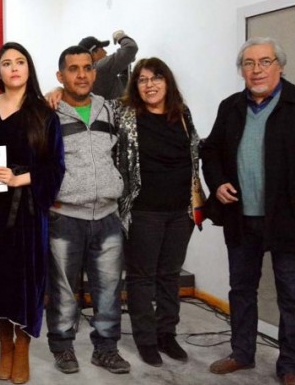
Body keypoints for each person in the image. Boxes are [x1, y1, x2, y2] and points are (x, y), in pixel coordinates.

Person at [201, 37, 295, 385]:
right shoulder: (230, 106)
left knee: (293, 295)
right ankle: (242, 353)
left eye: (264, 61)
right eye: (248, 63)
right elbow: (212, 152)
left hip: (290, 221)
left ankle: (291, 366)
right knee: (242, 289)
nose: (256, 69)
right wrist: (217, 184)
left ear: (280, 65)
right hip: (241, 217)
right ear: (241, 70)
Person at [0, 42, 64, 384]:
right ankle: (4, 347)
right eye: (6, 63)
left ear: (29, 69)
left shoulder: (44, 113)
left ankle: (22, 348)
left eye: (20, 62)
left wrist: (19, 179)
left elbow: (56, 167)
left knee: (25, 283)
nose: (13, 68)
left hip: (27, 212)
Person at [45, 45, 131, 376]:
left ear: (95, 73)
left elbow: (122, 153)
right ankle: (63, 348)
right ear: (60, 76)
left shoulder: (109, 110)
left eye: (87, 68)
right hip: (66, 216)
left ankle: (106, 350)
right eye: (73, 69)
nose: (81, 74)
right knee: (65, 291)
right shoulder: (49, 112)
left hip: (107, 216)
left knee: (109, 290)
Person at [115, 57, 200, 367]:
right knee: (141, 278)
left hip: (181, 212)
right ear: (135, 86)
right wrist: (56, 92)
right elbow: (87, 99)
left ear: (168, 82)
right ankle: (146, 339)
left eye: (156, 78)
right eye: (142, 79)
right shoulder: (124, 114)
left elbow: (194, 154)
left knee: (169, 276)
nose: (150, 84)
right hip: (144, 210)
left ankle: (167, 334)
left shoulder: (182, 114)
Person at [78, 30, 138, 99]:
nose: (105, 52)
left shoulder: (89, 78)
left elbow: (121, 88)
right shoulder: (99, 68)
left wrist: (125, 65)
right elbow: (130, 47)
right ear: (92, 53)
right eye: (102, 49)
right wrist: (120, 36)